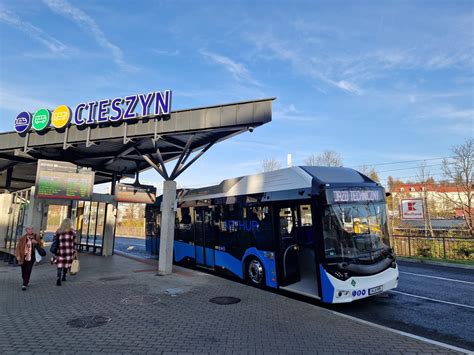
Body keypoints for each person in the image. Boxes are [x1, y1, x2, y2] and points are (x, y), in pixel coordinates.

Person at [15, 226, 39, 291]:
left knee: (28, 269)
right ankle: (25, 279)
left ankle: (24, 284)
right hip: (23, 256)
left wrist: (36, 243)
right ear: (26, 230)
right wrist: (18, 255)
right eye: (29, 229)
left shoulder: (36, 237)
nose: (30, 230)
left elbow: (41, 245)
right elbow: (18, 247)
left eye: (31, 229)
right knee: (23, 270)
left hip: (32, 256)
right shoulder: (22, 238)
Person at [55, 218, 76, 286]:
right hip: (69, 251)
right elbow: (74, 241)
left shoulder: (59, 231)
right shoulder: (72, 232)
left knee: (60, 264)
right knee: (66, 264)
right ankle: (64, 276)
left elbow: (56, 241)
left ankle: (58, 278)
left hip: (61, 250)